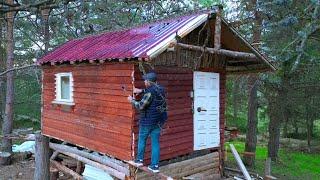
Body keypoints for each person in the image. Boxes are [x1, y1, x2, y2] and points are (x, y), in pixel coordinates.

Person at [127, 72, 167, 173]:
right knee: (155, 143)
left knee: (142, 140)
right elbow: (152, 91)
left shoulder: (149, 93)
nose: (144, 81)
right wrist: (141, 91)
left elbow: (141, 106)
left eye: (145, 80)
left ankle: (139, 160)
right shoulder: (161, 89)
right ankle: (155, 166)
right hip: (158, 121)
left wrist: (132, 100)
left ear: (149, 82)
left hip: (147, 122)